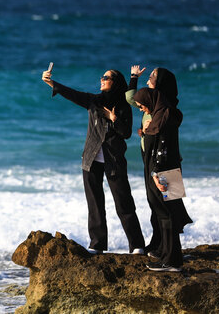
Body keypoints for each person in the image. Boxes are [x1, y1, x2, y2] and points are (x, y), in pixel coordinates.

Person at [42, 67, 145, 254]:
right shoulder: (93, 101)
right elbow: (72, 94)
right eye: (102, 77)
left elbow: (127, 133)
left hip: (114, 159)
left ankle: (137, 245)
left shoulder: (123, 106)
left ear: (115, 82)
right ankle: (97, 244)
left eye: (106, 77)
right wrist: (52, 83)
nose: (102, 79)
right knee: (95, 204)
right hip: (91, 158)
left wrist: (113, 118)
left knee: (123, 202)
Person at [126, 66, 192, 257]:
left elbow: (164, 141)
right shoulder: (155, 106)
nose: (148, 81)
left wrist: (155, 170)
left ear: (160, 83)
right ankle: (163, 247)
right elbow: (134, 98)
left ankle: (171, 254)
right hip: (155, 162)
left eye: (151, 77)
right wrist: (144, 132)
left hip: (163, 164)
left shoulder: (166, 111)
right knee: (160, 208)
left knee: (169, 209)